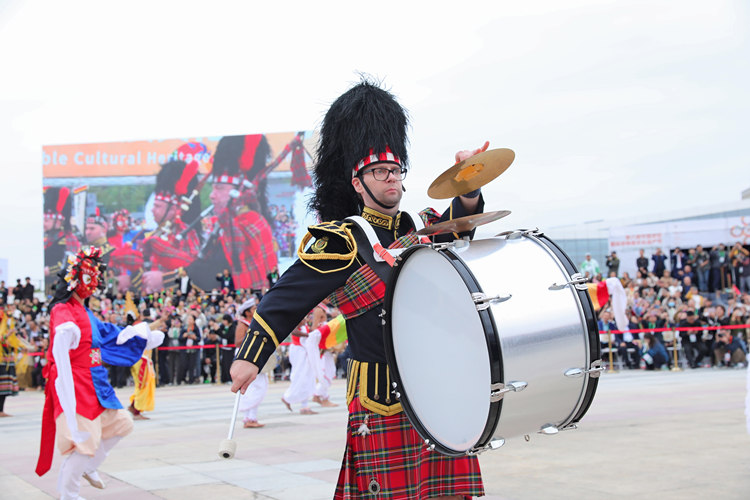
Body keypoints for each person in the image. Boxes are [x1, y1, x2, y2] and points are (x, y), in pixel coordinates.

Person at [230, 80, 486, 499]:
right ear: (357, 181)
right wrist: (252, 357)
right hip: (380, 394)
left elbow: (462, 222)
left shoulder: (419, 228)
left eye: (396, 170)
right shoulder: (343, 240)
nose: (391, 178)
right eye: (379, 171)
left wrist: (471, 178)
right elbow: (286, 297)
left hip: (435, 385)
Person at [34, 246, 164, 499]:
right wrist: (65, 332)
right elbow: (61, 327)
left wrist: (141, 335)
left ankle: (89, 467)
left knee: (123, 424)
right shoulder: (63, 310)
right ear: (74, 278)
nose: (94, 281)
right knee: (84, 442)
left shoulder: (86, 312)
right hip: (76, 382)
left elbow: (109, 334)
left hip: (96, 381)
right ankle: (68, 494)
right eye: (88, 275)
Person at [234, 298, 270, 428]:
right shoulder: (242, 324)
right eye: (253, 309)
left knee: (259, 385)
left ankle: (251, 417)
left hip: (255, 354)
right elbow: (238, 342)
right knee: (254, 386)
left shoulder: (255, 322)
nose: (256, 310)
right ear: (247, 312)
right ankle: (248, 417)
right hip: (247, 357)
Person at [43, 187, 81, 294]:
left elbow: (69, 262)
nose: (44, 223)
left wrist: (49, 270)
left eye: (47, 220)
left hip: (61, 284)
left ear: (59, 221)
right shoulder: (44, 238)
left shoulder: (69, 239)